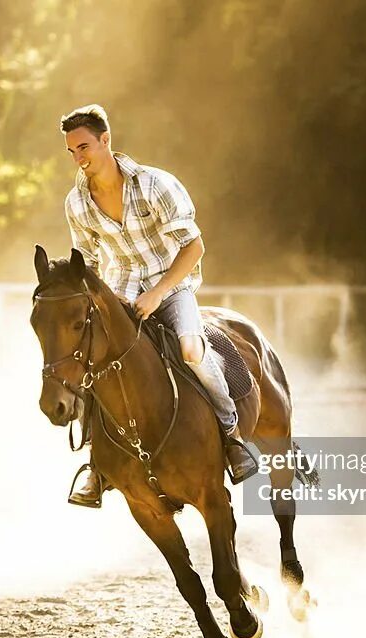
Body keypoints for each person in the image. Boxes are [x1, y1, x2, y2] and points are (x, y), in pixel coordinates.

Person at [59, 103, 259, 507]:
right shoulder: (76, 203)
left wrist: (159, 293)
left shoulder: (156, 184)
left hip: (173, 285)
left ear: (105, 140)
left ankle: (231, 437)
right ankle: (96, 469)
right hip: (120, 290)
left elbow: (194, 245)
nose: (79, 159)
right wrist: (102, 299)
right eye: (72, 152)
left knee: (190, 349)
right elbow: (89, 262)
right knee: (91, 362)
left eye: (84, 148)